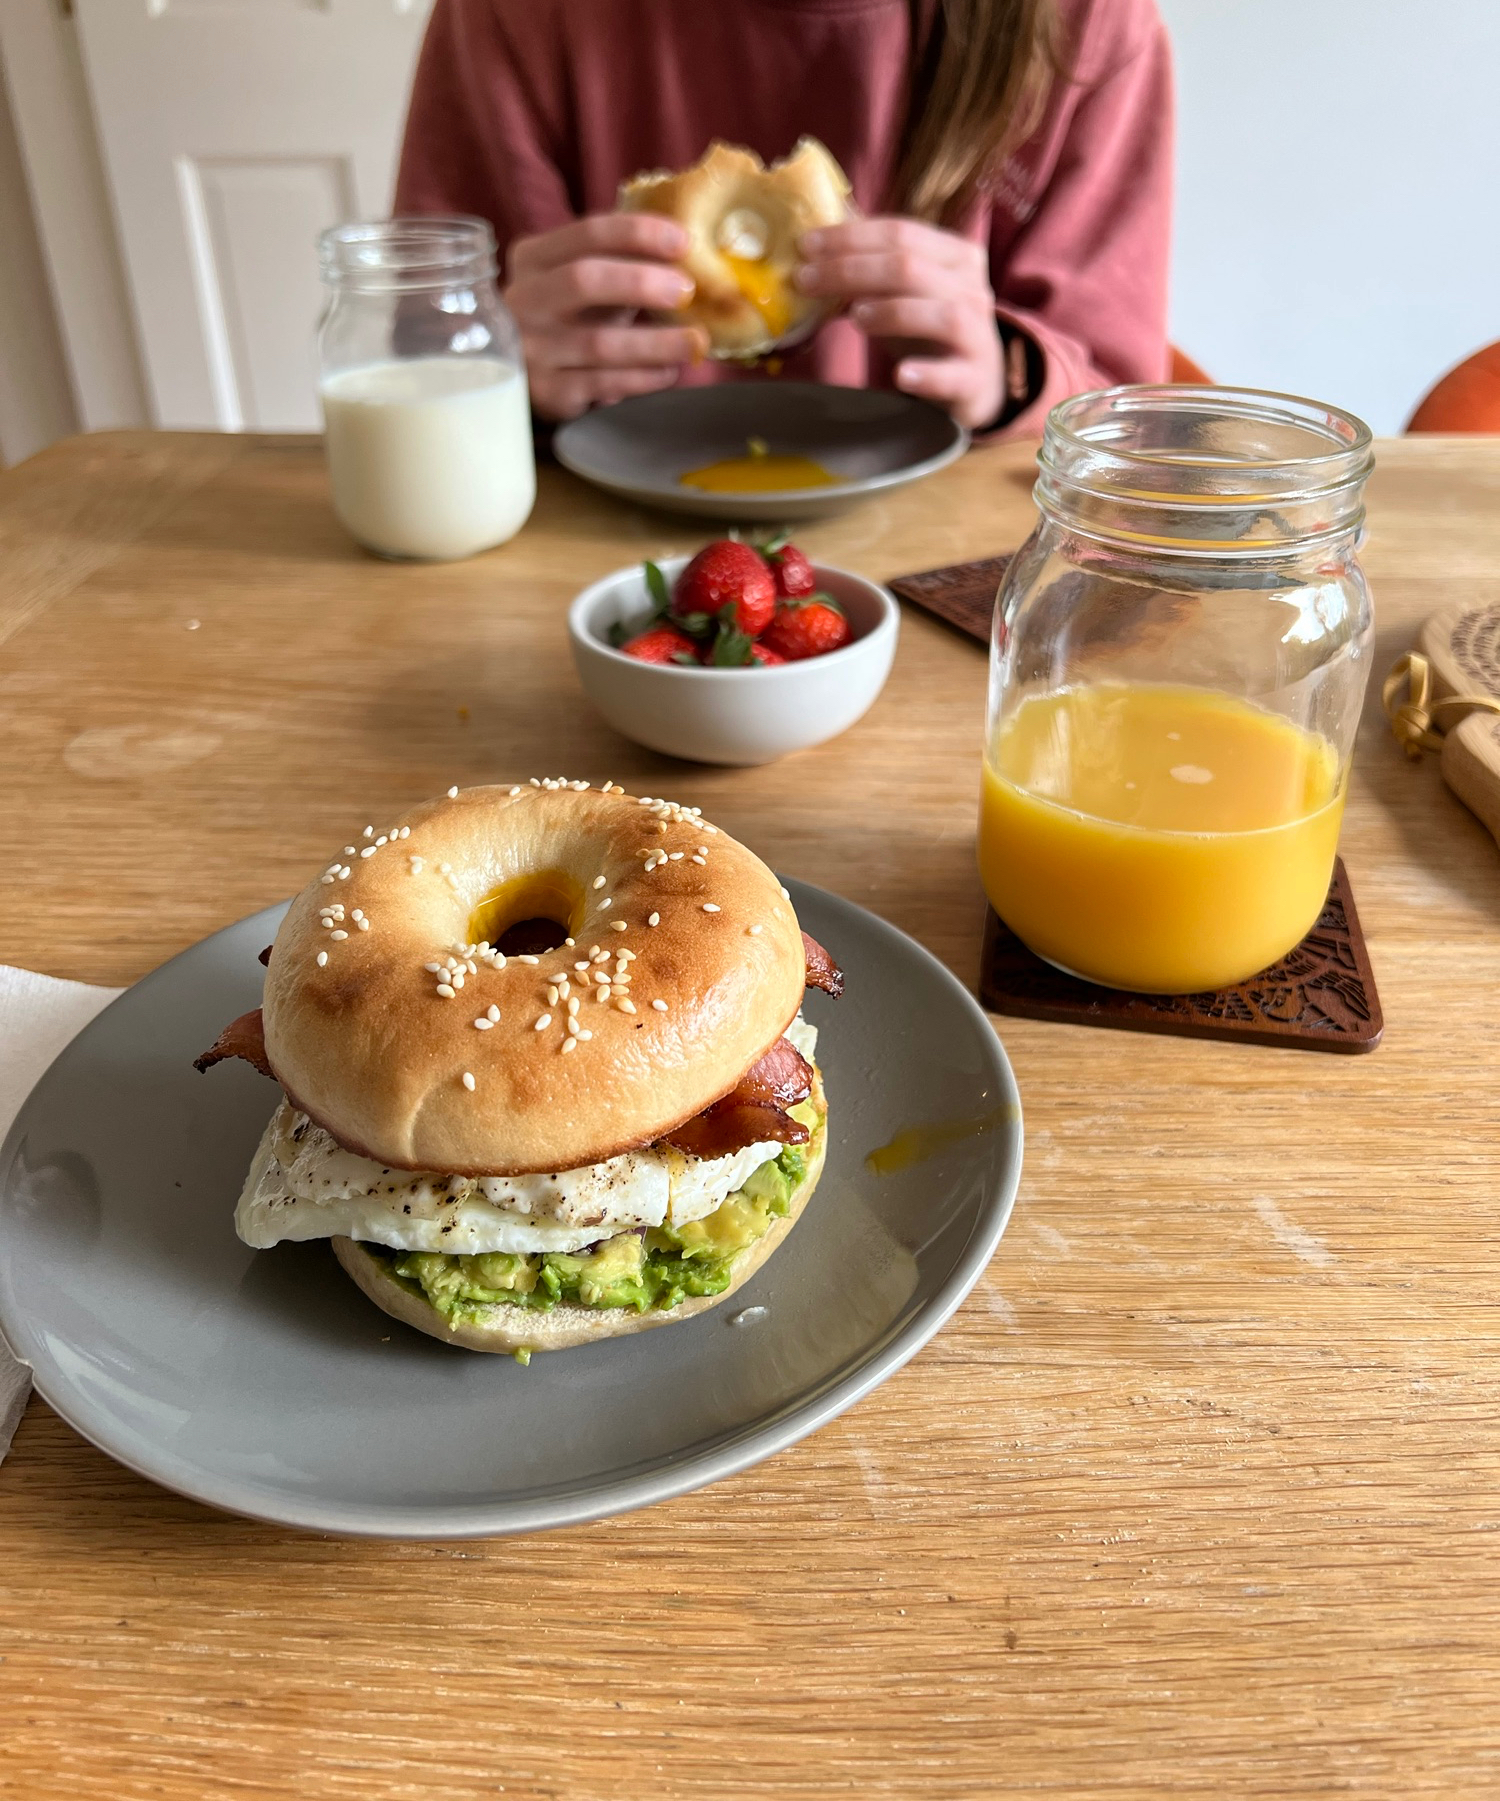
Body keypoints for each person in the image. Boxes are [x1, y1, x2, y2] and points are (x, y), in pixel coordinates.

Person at [395, 0, 1171, 436]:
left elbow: (1132, 424)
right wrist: (492, 369)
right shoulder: (512, 16)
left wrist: (1011, 374)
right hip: (590, 563)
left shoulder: (1083, 25)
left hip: (952, 581)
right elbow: (407, 381)